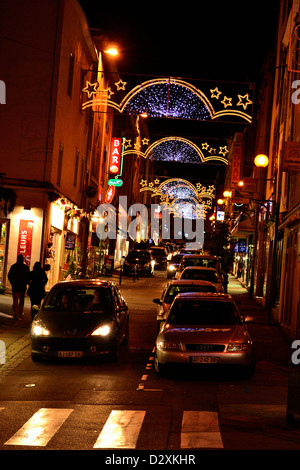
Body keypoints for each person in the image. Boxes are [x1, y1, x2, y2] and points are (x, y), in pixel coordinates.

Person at [8, 254, 30, 320]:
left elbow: (9, 276)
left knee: (15, 300)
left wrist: (12, 283)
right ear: (23, 259)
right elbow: (28, 277)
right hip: (22, 287)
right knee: (21, 300)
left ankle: (16, 313)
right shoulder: (26, 268)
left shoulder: (13, 267)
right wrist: (26, 283)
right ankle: (20, 312)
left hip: (15, 286)